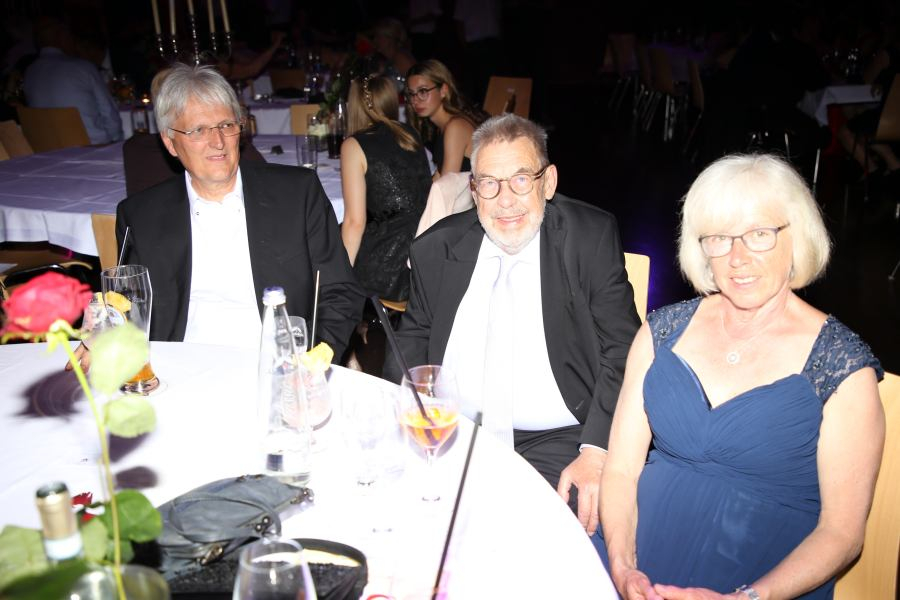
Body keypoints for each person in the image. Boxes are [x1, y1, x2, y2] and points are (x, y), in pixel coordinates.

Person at [596, 154, 884, 600]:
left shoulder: (840, 365)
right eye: (719, 238)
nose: (738, 258)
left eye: (759, 235)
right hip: (633, 554)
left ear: (797, 236)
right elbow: (619, 470)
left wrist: (750, 597)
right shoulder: (662, 331)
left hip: (765, 581)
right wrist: (620, 565)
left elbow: (842, 534)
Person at [384, 114, 640, 533]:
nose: (505, 201)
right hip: (455, 431)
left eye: (521, 180)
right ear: (473, 190)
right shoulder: (436, 249)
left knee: (531, 540)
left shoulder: (588, 238)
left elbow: (624, 350)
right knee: (406, 526)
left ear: (548, 182)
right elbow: (412, 339)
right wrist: (412, 409)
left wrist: (597, 450)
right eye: (489, 183)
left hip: (559, 439)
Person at [114, 63, 363, 355]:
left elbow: (339, 293)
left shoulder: (297, 195)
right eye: (199, 130)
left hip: (278, 361)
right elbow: (127, 309)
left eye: (226, 125)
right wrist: (107, 325)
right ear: (170, 143)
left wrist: (312, 359)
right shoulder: (140, 217)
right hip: (180, 363)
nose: (218, 142)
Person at [340, 74, 432, 301]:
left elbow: (355, 222)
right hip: (425, 255)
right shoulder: (410, 133)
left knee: (323, 239)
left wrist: (340, 280)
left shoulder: (353, 145)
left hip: (390, 269)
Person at [23, 16, 122, 145]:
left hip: (49, 149)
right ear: (62, 37)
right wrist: (117, 141)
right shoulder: (83, 68)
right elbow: (111, 117)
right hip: (93, 148)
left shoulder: (30, 72)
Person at [405, 59, 487, 178]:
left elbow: (447, 185)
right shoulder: (443, 127)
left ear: (443, 90)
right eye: (411, 94)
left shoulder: (455, 127)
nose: (415, 100)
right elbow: (439, 176)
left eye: (423, 91)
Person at [370, 18, 416, 90]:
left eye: (378, 37)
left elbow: (415, 85)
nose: (375, 40)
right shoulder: (388, 59)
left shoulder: (401, 58)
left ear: (390, 38)